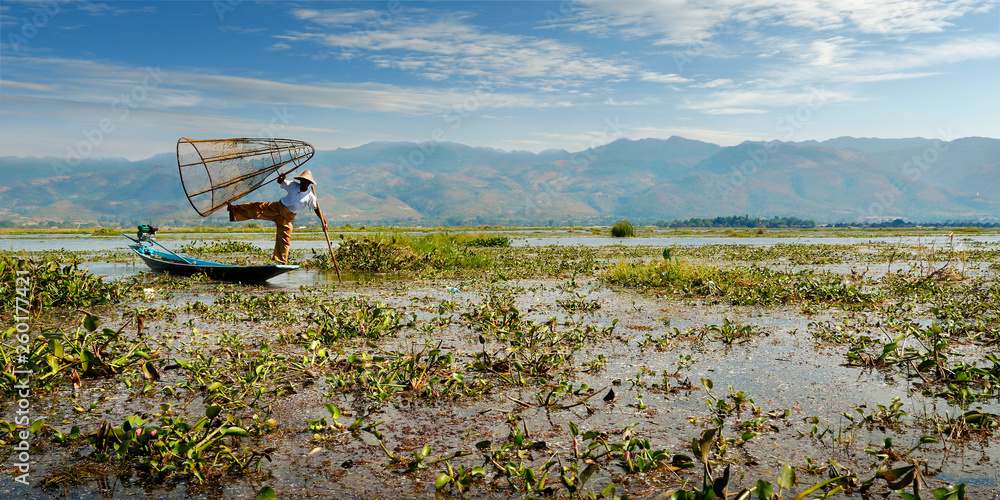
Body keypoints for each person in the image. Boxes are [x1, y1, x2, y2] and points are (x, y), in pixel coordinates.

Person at [226, 169, 327, 264]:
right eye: (303, 180)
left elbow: (317, 209)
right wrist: (281, 178)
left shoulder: (310, 196)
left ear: (309, 183)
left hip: (288, 217)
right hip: (277, 208)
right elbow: (281, 182)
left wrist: (324, 221)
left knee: (285, 239)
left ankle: (281, 261)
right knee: (256, 207)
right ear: (300, 180)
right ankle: (233, 209)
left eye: (306, 181)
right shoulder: (293, 185)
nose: (304, 182)